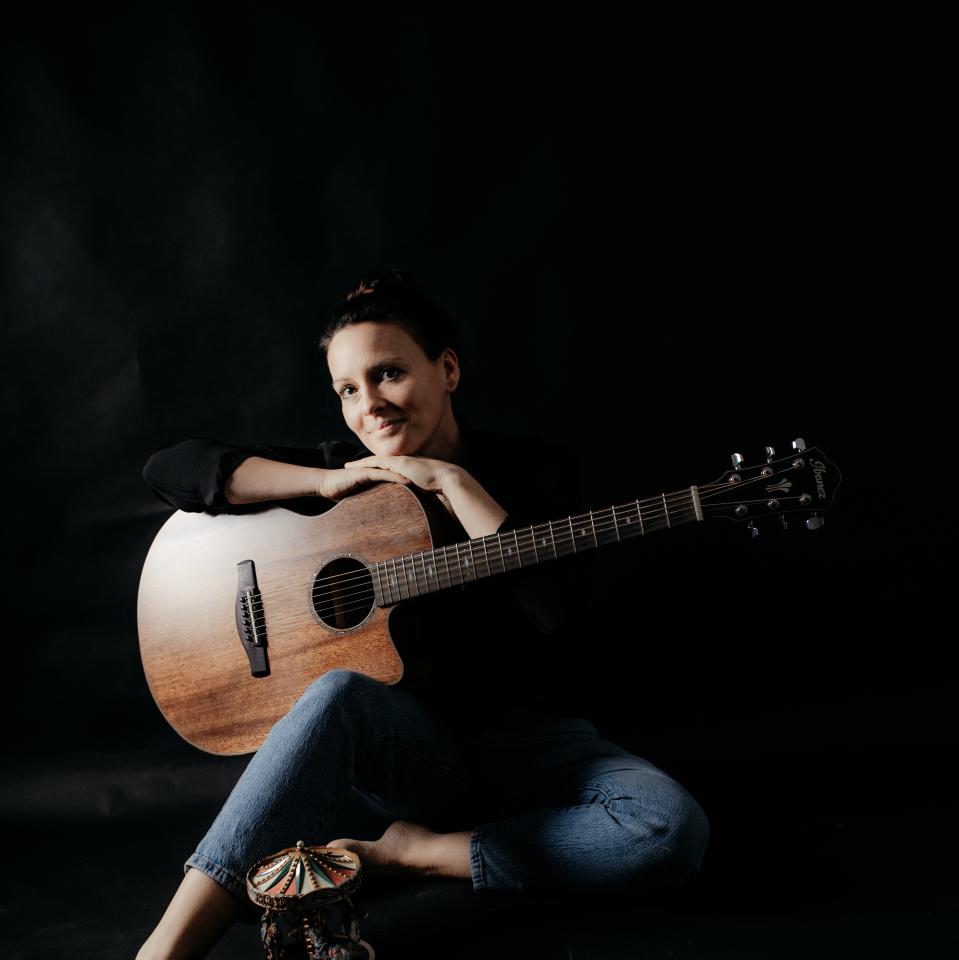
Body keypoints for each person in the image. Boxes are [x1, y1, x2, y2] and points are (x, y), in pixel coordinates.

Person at [136, 270, 710, 960]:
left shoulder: (537, 471)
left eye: (389, 374)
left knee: (668, 831)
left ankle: (411, 855)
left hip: (539, 748)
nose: (370, 406)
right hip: (414, 756)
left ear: (448, 370)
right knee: (339, 693)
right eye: (348, 390)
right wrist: (326, 480)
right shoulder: (348, 479)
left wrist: (452, 481)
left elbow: (552, 612)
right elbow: (173, 468)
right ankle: (164, 950)